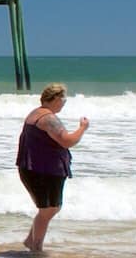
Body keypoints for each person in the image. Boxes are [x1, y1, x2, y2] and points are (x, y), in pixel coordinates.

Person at [16, 83, 88, 253]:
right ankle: (36, 248)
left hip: (38, 168)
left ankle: (30, 241)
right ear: (55, 98)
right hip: (42, 170)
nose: (64, 103)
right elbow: (68, 141)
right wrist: (82, 128)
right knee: (48, 210)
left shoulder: (37, 112)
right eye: (64, 99)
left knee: (50, 208)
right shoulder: (47, 118)